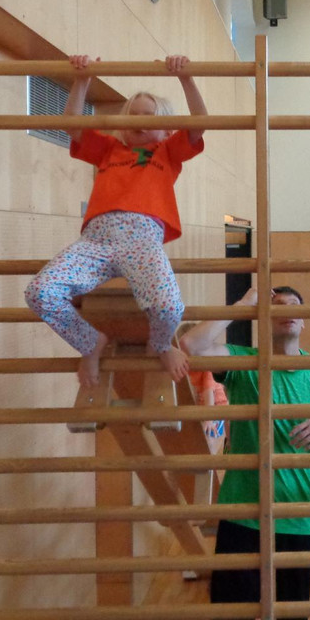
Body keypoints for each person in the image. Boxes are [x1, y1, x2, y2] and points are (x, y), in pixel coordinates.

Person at [25, 54, 207, 387]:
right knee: (40, 293)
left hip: (143, 242)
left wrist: (186, 77)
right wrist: (82, 79)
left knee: (169, 308)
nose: (139, 121)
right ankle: (90, 342)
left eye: (149, 116)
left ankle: (161, 345)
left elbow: (199, 124)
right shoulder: (109, 149)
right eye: (132, 114)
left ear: (167, 129)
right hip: (96, 242)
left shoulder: (167, 152)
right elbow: (72, 125)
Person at [179, 286, 310, 615]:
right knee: (231, 611)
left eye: (293, 305)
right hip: (242, 515)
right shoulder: (245, 361)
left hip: (296, 518)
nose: (286, 310)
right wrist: (245, 303)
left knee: (291, 614)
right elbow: (189, 345)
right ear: (264, 319)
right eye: (277, 305)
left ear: (304, 320)